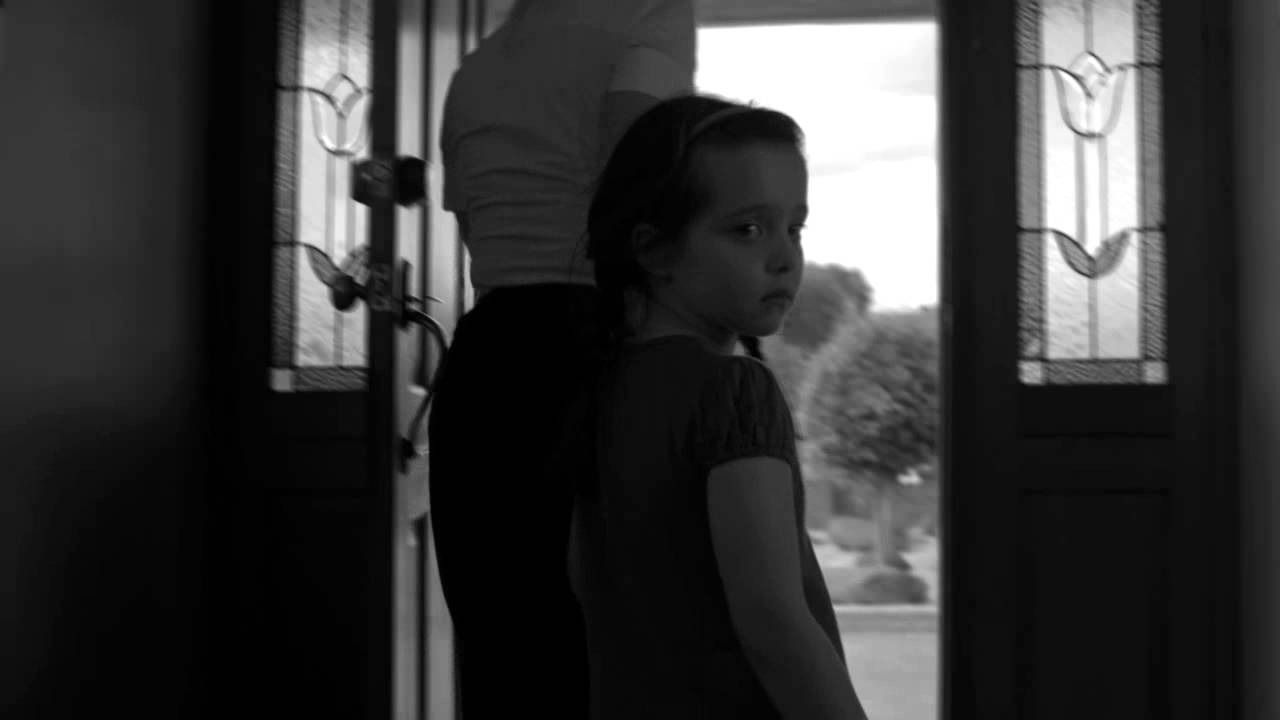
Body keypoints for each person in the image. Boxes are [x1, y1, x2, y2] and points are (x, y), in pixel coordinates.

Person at [554, 94, 870, 719]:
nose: (785, 256)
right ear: (655, 250)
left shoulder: (593, 390)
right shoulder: (733, 392)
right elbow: (775, 623)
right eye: (747, 229)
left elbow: (583, 584)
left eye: (794, 227)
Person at [426, 1, 696, 717]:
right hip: (596, 344)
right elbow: (630, 178)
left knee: (503, 653)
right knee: (612, 652)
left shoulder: (476, 70)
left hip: (484, 362)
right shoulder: (651, 14)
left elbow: (476, 229)